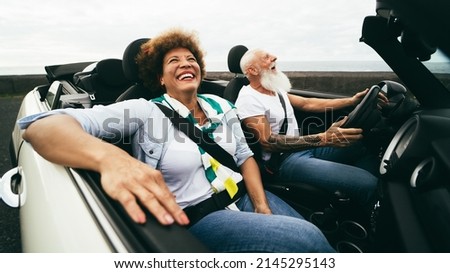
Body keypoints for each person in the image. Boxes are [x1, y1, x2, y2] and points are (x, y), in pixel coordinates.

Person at [18, 28, 334, 253]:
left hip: (246, 196)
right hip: (202, 217)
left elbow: (243, 157)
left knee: (315, 237)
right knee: (306, 242)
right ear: (160, 77)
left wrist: (262, 206)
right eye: (173, 61)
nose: (185, 63)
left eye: (190, 59)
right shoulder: (145, 111)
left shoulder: (222, 106)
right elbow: (42, 127)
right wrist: (110, 158)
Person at [235, 48, 389, 211]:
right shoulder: (248, 99)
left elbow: (307, 103)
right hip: (284, 161)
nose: (274, 57)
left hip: (303, 149)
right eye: (266, 57)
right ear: (252, 70)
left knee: (362, 145)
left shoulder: (274, 90)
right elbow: (268, 142)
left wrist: (352, 101)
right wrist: (322, 138)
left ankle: (354, 204)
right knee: (369, 184)